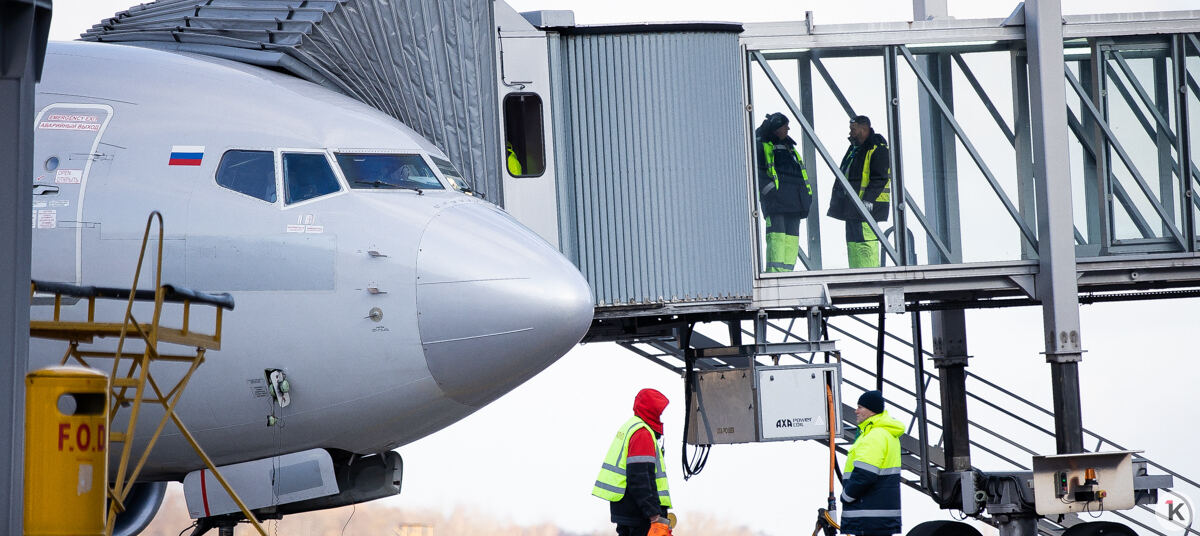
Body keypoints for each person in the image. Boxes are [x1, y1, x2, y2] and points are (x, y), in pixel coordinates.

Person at [593, 389, 673, 536]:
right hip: (641, 518)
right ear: (652, 411)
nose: (660, 415)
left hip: (630, 513)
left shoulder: (631, 427)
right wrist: (654, 516)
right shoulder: (642, 433)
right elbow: (639, 478)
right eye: (659, 412)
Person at [828, 115, 891, 269]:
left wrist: (868, 199)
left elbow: (880, 178)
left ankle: (870, 276)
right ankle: (857, 274)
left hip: (867, 208)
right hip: (853, 207)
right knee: (854, 244)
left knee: (865, 243)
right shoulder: (856, 149)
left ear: (864, 129)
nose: (850, 133)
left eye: (853, 129)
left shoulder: (877, 149)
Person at [754, 112, 813, 273]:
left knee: (791, 242)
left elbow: (800, 175)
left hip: (794, 204)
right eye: (785, 125)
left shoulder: (789, 147)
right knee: (777, 240)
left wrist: (806, 197)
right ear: (776, 127)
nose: (788, 129)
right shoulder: (761, 145)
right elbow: (757, 174)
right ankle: (775, 276)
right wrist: (773, 193)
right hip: (777, 205)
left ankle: (787, 276)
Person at [840, 390, 903, 536]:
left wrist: (846, 496)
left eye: (860, 407)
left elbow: (865, 474)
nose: (856, 411)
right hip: (877, 516)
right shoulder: (885, 433)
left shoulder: (874, 435)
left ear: (871, 411)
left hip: (868, 516)